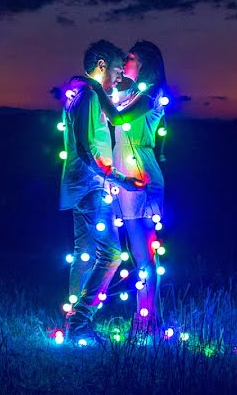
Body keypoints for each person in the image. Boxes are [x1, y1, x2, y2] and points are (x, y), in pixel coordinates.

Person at [60, 40, 145, 345]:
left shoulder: (81, 94)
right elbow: (85, 148)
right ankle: (80, 321)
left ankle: (73, 326)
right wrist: (119, 180)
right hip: (91, 187)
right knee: (110, 254)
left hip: (82, 186)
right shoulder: (87, 97)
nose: (119, 77)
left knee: (83, 257)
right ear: (100, 65)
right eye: (116, 70)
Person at [110, 40, 168, 331]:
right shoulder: (131, 93)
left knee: (143, 252)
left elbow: (119, 117)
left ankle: (147, 319)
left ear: (144, 63)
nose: (125, 61)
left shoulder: (151, 94)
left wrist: (96, 90)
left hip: (139, 174)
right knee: (138, 252)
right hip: (126, 172)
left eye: (130, 57)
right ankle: (145, 317)